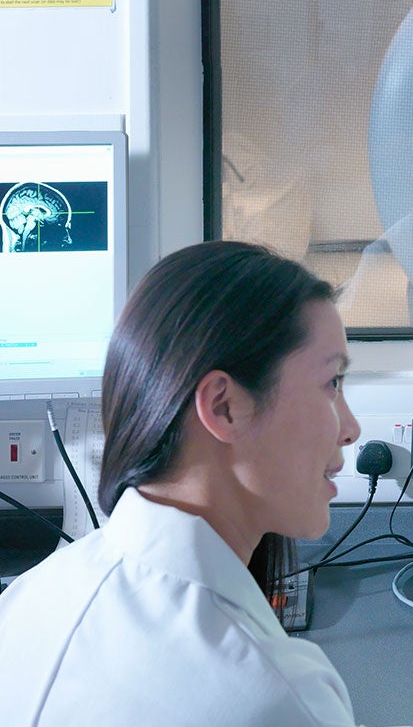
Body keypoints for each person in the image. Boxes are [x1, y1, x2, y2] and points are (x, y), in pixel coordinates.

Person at [0, 241, 369, 726]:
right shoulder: (274, 694)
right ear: (223, 407)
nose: (351, 427)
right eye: (332, 384)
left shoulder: (28, 598)